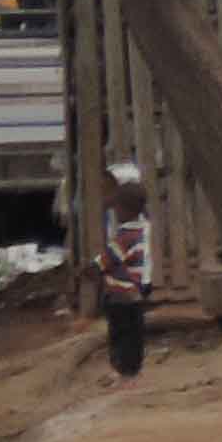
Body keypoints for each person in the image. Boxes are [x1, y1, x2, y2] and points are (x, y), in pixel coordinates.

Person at [94, 154, 153, 376]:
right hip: (123, 288)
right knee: (126, 330)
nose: (104, 193)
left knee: (125, 330)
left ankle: (127, 370)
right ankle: (126, 369)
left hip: (127, 289)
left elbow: (112, 256)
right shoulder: (122, 220)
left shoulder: (132, 228)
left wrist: (94, 268)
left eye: (108, 188)